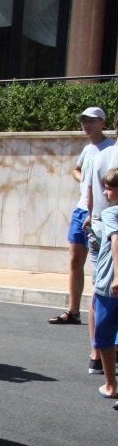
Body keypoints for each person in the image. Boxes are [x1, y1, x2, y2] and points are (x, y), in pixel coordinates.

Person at [50, 107, 111, 328]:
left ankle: (101, 313)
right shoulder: (87, 150)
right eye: (83, 121)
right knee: (76, 261)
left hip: (100, 213)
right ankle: (73, 311)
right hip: (81, 210)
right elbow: (76, 170)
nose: (86, 125)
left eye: (91, 121)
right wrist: (85, 178)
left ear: (102, 123)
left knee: (100, 265)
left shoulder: (110, 148)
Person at [85, 113, 118, 373]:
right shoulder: (103, 155)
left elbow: (90, 191)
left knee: (99, 289)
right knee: (103, 290)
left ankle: (97, 354)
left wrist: (89, 216)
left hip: (98, 223)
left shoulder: (100, 155)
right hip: (106, 225)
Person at [93, 167, 118, 402]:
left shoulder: (112, 213)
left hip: (109, 285)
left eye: (110, 188)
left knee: (104, 337)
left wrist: (117, 276)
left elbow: (115, 242)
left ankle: (111, 385)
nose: (105, 193)